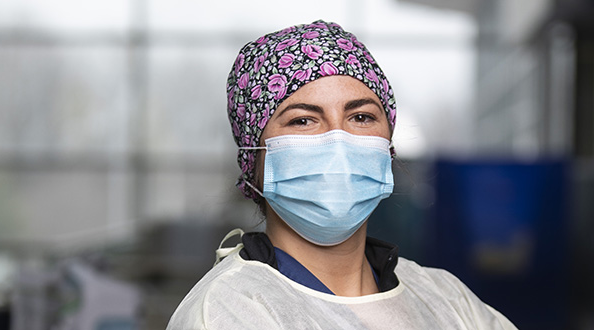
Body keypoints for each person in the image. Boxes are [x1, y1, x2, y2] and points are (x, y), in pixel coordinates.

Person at [167, 20, 517, 329]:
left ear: (388, 146)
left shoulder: (444, 298)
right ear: (253, 159)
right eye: (303, 120)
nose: (339, 142)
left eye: (361, 117)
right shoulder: (228, 313)